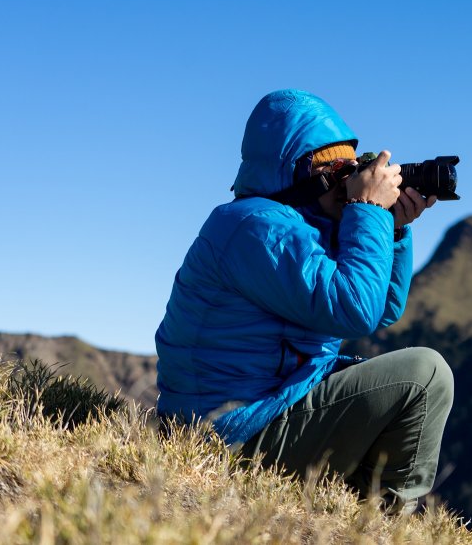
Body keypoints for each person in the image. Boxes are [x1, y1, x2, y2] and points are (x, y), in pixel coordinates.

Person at [155, 89, 453, 513]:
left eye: (352, 166)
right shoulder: (255, 226)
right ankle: (385, 523)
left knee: (404, 377)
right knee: (426, 374)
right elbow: (355, 309)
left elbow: (383, 308)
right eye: (336, 168)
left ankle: (364, 510)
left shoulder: (303, 224)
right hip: (230, 436)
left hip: (261, 410)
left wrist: (392, 228)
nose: (348, 179)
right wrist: (368, 208)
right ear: (296, 171)